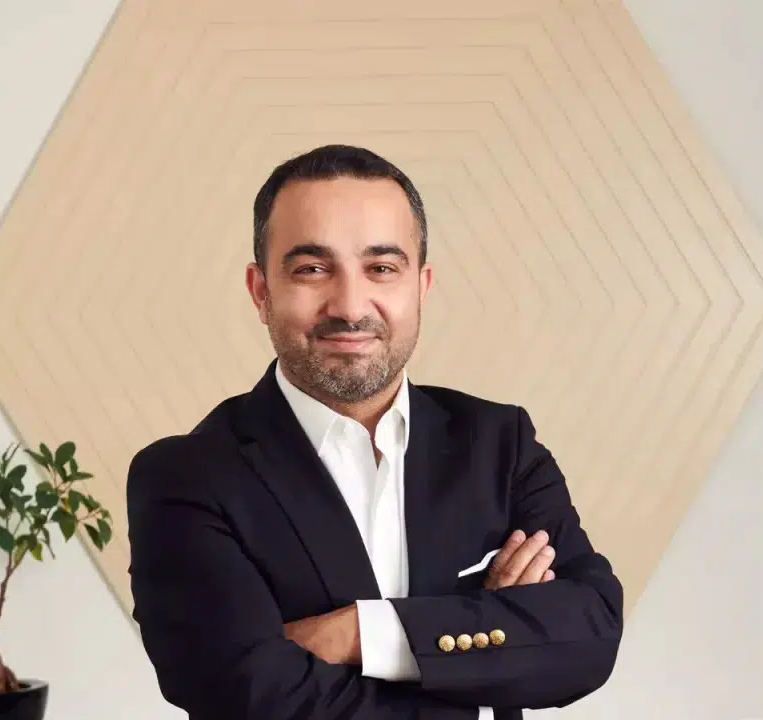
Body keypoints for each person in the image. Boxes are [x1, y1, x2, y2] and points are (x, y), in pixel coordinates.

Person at [126, 144, 624, 719]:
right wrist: (482, 643)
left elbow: (591, 634)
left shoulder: (500, 444)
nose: (349, 305)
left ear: (422, 286)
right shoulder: (186, 477)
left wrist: (359, 632)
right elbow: (250, 697)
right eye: (312, 269)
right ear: (261, 292)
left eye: (381, 269)